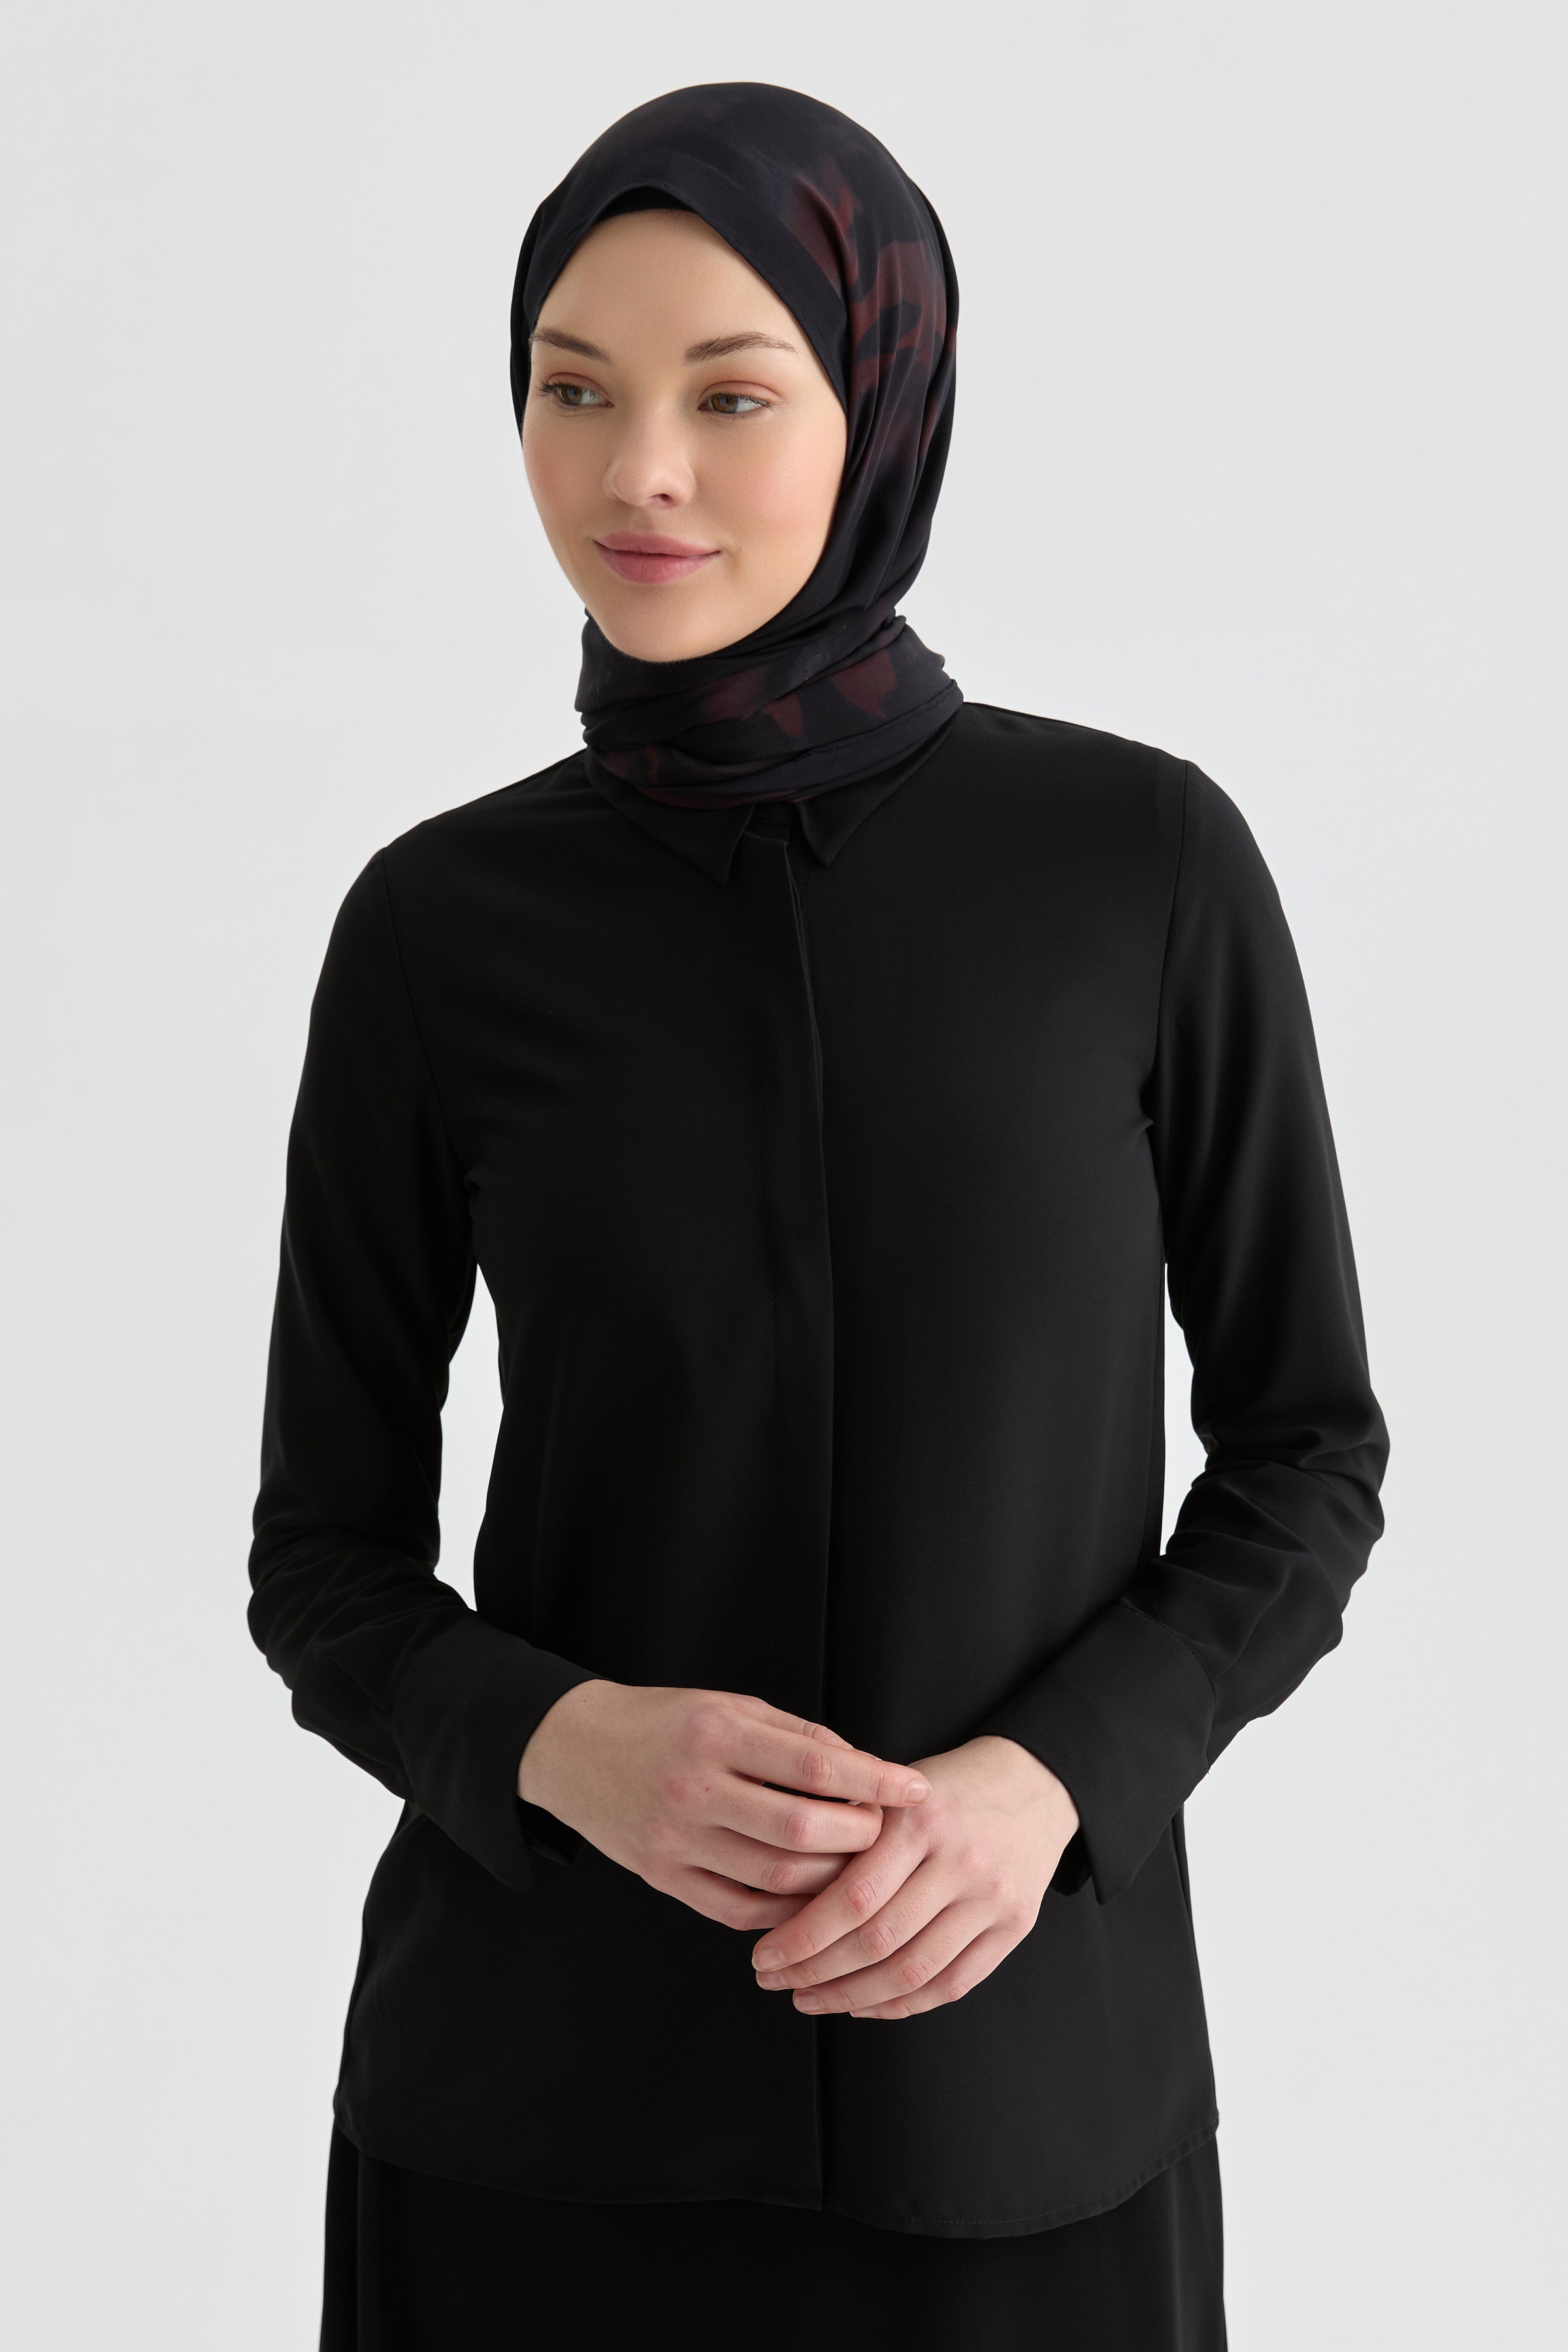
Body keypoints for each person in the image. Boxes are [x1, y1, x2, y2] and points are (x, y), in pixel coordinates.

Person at [250, 82, 1387, 2352]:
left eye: (731, 394)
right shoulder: (439, 927)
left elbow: (1306, 1457)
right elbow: (325, 1567)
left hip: (1023, 2115)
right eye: (574, 388)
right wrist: (563, 1742)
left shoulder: (1140, 867)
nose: (637, 471)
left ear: (879, 405)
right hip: (534, 2129)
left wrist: (1051, 1787)